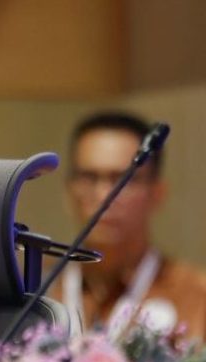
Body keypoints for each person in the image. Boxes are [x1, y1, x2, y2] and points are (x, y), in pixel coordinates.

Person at [56, 111, 206, 342]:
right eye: (89, 177)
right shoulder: (36, 292)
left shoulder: (197, 297)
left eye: (124, 179)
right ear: (69, 191)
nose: (104, 196)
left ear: (157, 193)